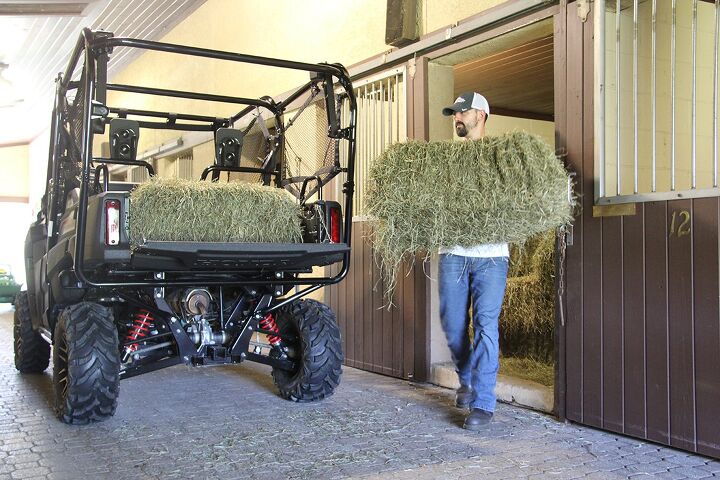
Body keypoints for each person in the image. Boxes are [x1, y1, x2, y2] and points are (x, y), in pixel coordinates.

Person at [439, 92, 509, 430]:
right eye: (454, 114)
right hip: (452, 253)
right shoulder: (447, 161)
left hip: (492, 256)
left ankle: (483, 402)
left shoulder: (501, 158)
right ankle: (466, 378)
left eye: (462, 112)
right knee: (453, 327)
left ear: (480, 114)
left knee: (485, 325)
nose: (457, 119)